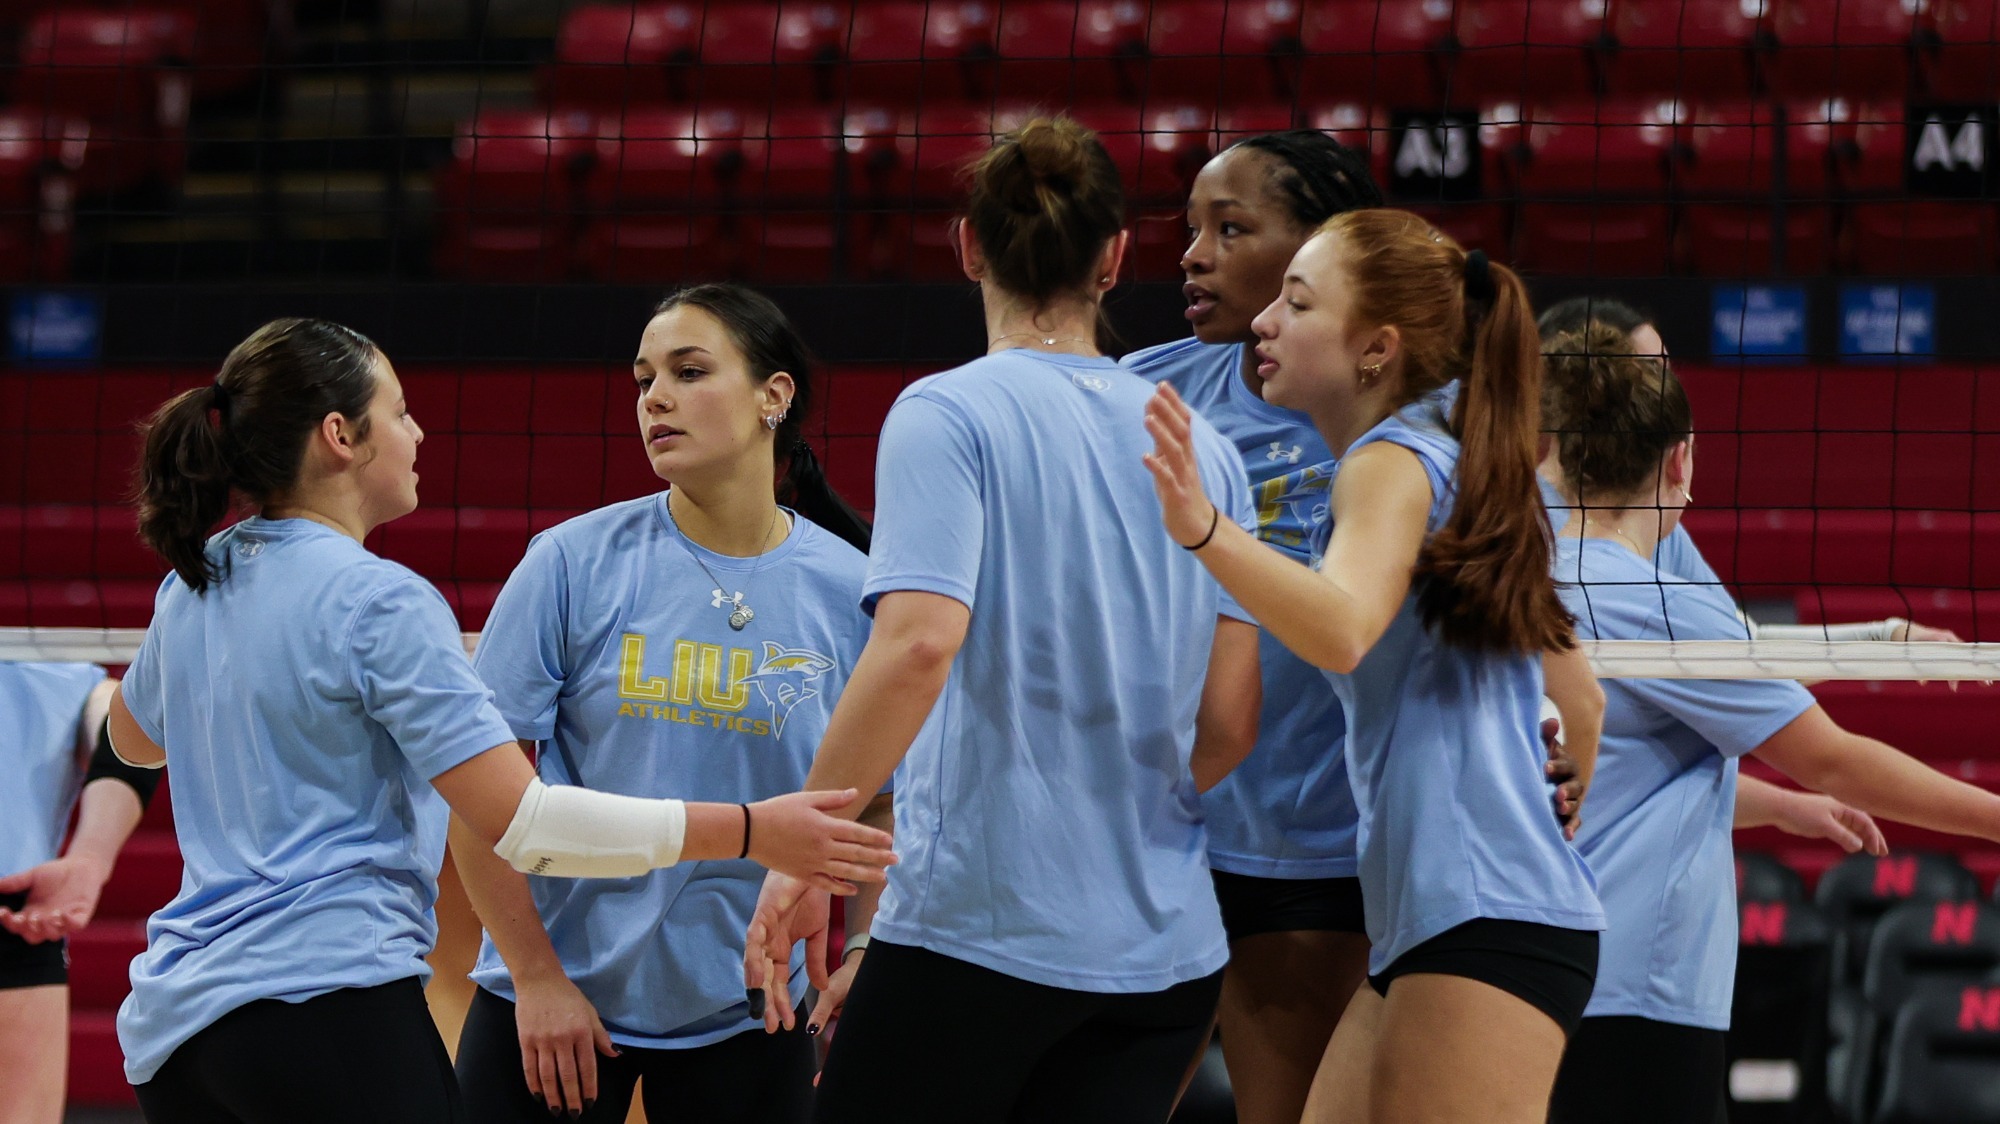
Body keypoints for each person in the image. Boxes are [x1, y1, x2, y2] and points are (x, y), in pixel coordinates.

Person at [108, 317, 895, 1124]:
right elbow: (525, 823)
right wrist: (751, 830)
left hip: (182, 1030)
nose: (417, 432)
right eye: (399, 411)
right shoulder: (383, 600)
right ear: (340, 436)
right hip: (326, 1002)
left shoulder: (197, 581)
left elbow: (133, 739)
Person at [744, 114, 1263, 1124]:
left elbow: (917, 644)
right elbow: (1230, 723)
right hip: (1161, 956)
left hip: (980, 935)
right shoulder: (1203, 447)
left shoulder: (948, 413)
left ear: (969, 246)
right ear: (1114, 259)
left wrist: (803, 848)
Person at [1143, 209, 1605, 1124]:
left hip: (1479, 917)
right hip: (1452, 917)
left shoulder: (1390, 460)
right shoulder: (1457, 452)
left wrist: (1204, 529)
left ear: (1376, 349)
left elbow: (1346, 630)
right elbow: (1580, 701)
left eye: (1297, 302)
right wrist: (1542, 809)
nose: (1264, 321)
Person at [1539, 322, 2000, 1122]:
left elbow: (1620, 770)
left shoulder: (1535, 572)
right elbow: (1834, 759)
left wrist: (1782, 804)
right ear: (1679, 459)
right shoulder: (1651, 598)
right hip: (1634, 983)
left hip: (1553, 966)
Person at [451, 283, 883, 1124]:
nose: (654, 397)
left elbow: (881, 802)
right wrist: (534, 978)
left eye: (688, 371)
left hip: (753, 1007)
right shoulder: (570, 562)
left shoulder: (855, 591)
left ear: (774, 395)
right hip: (557, 1001)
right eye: (644, 378)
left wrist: (863, 945)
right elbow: (476, 805)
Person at [1118, 131, 1385, 1124]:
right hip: (1157, 834)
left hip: (1314, 849)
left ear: (1323, 248)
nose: (1192, 256)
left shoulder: (1403, 421)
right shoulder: (1142, 392)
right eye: (1192, 230)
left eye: (1230, 230)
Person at [1534, 296, 1959, 647]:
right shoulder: (1518, 521)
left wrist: (1883, 638)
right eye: (1648, 371)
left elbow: (1739, 647)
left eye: (1666, 370)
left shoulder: (1655, 524)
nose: (1667, 388)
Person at [0, 662, 150, 1124]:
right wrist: (91, 856)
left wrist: (90, 857)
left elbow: (129, 733)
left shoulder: (50, 660)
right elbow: (132, 731)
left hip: (18, 921)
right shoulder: (55, 665)